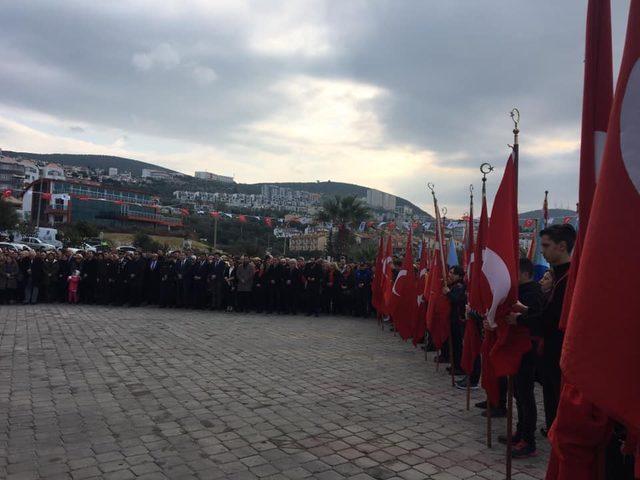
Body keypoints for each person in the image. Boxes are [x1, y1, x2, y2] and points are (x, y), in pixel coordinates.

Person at [499, 257, 544, 458]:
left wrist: (519, 318)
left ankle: (529, 440)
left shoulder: (533, 292)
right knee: (517, 393)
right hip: (517, 349)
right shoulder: (520, 291)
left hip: (527, 350)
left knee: (526, 395)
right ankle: (520, 431)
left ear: (525, 273)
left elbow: (537, 319)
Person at [538, 223, 576, 434]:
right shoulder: (556, 275)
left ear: (561, 246)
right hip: (550, 352)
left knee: (558, 399)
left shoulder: (570, 278)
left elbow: (552, 318)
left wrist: (524, 317)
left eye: (546, 245)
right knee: (550, 398)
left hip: (561, 353)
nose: (542, 251)